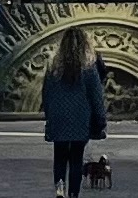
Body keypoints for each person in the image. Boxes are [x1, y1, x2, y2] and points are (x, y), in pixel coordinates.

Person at [39, 29, 106, 198]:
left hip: (59, 119)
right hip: (80, 119)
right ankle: (73, 194)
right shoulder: (89, 68)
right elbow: (96, 97)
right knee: (76, 159)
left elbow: (45, 94)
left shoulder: (53, 68)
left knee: (59, 157)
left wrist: (50, 116)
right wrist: (100, 121)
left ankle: (59, 189)